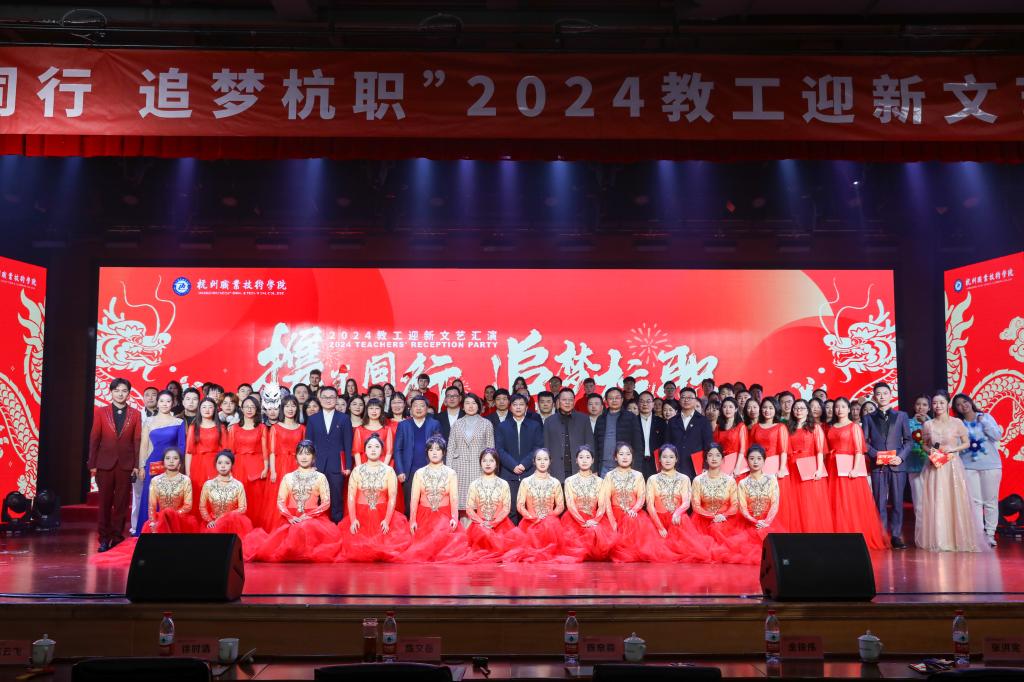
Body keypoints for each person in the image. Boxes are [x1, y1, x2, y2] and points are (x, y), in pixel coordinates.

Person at [244, 439, 342, 563]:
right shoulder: (288, 477)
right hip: (291, 518)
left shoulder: (320, 477)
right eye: (300, 453)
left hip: (313, 518)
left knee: (307, 531)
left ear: (313, 457)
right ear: (296, 457)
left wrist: (309, 516)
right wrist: (289, 517)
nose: (304, 457)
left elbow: (326, 502)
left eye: (307, 454)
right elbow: (280, 501)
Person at [916, 392, 984, 552]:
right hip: (936, 466)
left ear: (947, 404)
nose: (938, 406)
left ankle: (957, 539)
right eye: (934, 403)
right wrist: (930, 451)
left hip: (952, 466)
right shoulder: (928, 424)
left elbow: (967, 443)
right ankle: (940, 539)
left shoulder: (957, 422)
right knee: (937, 500)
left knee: (954, 500)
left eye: (941, 402)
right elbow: (924, 444)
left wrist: (953, 449)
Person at [827, 398, 889, 550]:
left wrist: (855, 469)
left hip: (848, 469)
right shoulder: (832, 427)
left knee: (850, 502)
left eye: (843, 407)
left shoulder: (854, 427)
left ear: (849, 409)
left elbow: (859, 450)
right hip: (833, 467)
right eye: (837, 407)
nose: (839, 409)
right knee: (836, 502)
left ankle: (854, 537)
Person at [401, 435, 474, 563]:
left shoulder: (451, 473)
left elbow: (454, 498)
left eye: (438, 449)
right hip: (424, 517)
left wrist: (454, 518)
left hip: (444, 516)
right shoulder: (419, 473)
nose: (434, 453)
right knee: (420, 552)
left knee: (448, 553)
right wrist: (412, 520)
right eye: (431, 450)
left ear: (443, 452)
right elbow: (414, 499)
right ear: (427, 452)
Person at [342, 434, 412, 562]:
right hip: (360, 515)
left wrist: (387, 520)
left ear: (382, 450)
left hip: (383, 513)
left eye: (376, 446)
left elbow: (392, 497)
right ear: (364, 450)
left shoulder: (389, 471)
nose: (373, 449)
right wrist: (353, 519)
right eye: (369, 447)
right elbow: (351, 497)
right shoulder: (357, 471)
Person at [861, 382, 913, 549]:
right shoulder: (868, 418)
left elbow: (908, 441)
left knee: (897, 502)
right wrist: (876, 455)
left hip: (897, 465)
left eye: (885, 393)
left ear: (891, 395)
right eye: (879, 394)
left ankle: (896, 536)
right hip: (878, 466)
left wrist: (900, 457)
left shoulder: (902, 416)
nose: (882, 396)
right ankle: (881, 535)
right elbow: (864, 442)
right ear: (874, 397)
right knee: (879, 502)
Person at [690, 443, 758, 564]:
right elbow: (696, 505)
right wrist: (712, 516)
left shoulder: (730, 481)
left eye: (717, 455)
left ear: (722, 459)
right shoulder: (698, 480)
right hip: (703, 520)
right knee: (696, 548)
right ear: (706, 459)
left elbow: (735, 505)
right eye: (710, 455)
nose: (714, 458)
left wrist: (723, 516)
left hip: (726, 519)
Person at [512, 448, 582, 562]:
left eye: (545, 459)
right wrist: (532, 517)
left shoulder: (555, 482)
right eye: (539, 459)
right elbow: (520, 505)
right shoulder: (526, 482)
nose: (542, 462)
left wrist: (549, 516)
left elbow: (560, 506)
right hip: (530, 522)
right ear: (534, 461)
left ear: (550, 461)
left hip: (550, 524)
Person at [953, 393, 1003, 548]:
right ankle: (979, 535)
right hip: (969, 467)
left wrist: (984, 423)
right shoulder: (958, 424)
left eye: (965, 402)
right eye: (959, 405)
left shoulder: (985, 417)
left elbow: (997, 436)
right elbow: (957, 446)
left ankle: (990, 534)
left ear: (970, 401)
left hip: (991, 465)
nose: (963, 406)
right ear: (956, 409)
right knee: (975, 502)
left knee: (990, 501)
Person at [135, 390, 186, 534]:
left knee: (170, 497)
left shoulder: (179, 422)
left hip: (172, 464)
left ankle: (168, 529)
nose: (165, 404)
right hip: (153, 463)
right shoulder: (148, 421)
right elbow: (144, 446)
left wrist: (179, 466)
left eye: (168, 401)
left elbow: (181, 445)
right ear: (157, 403)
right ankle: (148, 529)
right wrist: (142, 466)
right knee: (151, 497)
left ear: (173, 403)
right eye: (162, 401)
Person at [645, 444, 707, 563]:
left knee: (687, 548)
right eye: (664, 457)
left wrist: (677, 513)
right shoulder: (652, 479)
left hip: (677, 519)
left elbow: (686, 502)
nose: (668, 460)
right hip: (657, 519)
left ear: (676, 459)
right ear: (659, 459)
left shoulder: (684, 478)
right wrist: (660, 527)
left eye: (671, 457)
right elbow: (650, 506)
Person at [602, 443, 659, 563]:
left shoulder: (638, 475)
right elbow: (606, 500)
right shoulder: (609, 476)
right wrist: (612, 521)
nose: (625, 457)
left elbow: (641, 497)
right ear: (615, 457)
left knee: (632, 521)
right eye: (621, 454)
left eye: (628, 454)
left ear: (632, 457)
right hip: (614, 514)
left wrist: (634, 510)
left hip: (633, 513)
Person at [304, 386, 354, 523]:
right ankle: (318, 525)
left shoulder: (344, 418)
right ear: (320, 399)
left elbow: (348, 443)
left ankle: (336, 525)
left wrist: (347, 466)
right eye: (325, 397)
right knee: (316, 498)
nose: (328, 400)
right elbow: (308, 445)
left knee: (336, 497)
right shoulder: (313, 419)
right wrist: (309, 465)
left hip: (337, 465)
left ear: (336, 399)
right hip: (317, 465)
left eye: (331, 397)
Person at [495, 393, 544, 524]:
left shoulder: (535, 426)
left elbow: (537, 447)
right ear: (510, 407)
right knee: (510, 509)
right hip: (508, 474)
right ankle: (512, 536)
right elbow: (499, 449)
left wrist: (524, 464)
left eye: (521, 404)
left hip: (529, 473)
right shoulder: (502, 426)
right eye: (515, 405)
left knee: (529, 509)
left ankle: (528, 535)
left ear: (526, 407)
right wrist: (513, 465)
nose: (518, 407)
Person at [785, 400, 833, 533]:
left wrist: (819, 469)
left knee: (810, 502)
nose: (798, 410)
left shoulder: (815, 427)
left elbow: (820, 450)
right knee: (795, 502)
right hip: (792, 467)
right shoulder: (789, 428)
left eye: (802, 408)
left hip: (809, 467)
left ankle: (812, 532)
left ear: (807, 411)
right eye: (796, 408)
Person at [561, 445, 614, 561]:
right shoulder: (569, 481)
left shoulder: (600, 481)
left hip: (594, 517)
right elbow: (570, 504)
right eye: (581, 457)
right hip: (574, 519)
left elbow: (602, 504)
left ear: (593, 460)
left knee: (597, 533)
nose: (584, 460)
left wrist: (595, 520)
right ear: (576, 460)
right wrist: (582, 522)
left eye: (588, 457)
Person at [447, 393, 495, 513]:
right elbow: (451, 447)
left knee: (479, 503)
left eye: (474, 403)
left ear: (478, 406)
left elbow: (491, 449)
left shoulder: (486, 423)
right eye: (467, 403)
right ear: (463, 406)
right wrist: (448, 470)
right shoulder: (457, 424)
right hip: (459, 467)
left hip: (479, 467)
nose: (470, 406)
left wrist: (490, 469)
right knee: (461, 505)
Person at [394, 395, 442, 512]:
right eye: (415, 406)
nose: (419, 408)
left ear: (427, 408)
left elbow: (440, 448)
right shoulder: (403, 425)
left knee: (429, 503)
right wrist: (400, 471)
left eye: (422, 406)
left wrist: (439, 469)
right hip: (409, 471)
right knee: (410, 504)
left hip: (430, 469)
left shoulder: (434, 424)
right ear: (410, 409)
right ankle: (410, 523)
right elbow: (397, 449)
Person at [465, 449, 516, 557]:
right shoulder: (474, 484)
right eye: (484, 461)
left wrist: (493, 523)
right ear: (480, 463)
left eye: (491, 461)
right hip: (479, 526)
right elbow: (469, 508)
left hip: (500, 526)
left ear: (496, 463)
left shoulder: (503, 484)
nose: (488, 464)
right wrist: (481, 523)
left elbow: (506, 508)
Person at [229, 396, 269, 528]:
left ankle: (256, 527)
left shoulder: (262, 427)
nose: (249, 409)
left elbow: (265, 450)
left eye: (252, 407)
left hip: (257, 466)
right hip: (239, 466)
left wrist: (266, 468)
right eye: (247, 407)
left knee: (256, 499)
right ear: (241, 409)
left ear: (257, 409)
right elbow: (230, 451)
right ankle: (240, 527)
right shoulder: (234, 428)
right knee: (240, 498)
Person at [736, 444, 785, 552]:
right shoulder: (743, 483)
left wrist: (766, 522)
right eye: (752, 458)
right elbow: (742, 507)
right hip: (749, 523)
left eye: (759, 458)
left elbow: (775, 503)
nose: (755, 462)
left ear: (764, 460)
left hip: (769, 522)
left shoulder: (772, 479)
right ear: (747, 460)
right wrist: (755, 522)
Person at [544, 388, 595, 482]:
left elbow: (590, 444)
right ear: (558, 401)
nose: (567, 402)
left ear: (574, 401)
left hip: (580, 469)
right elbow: (546, 448)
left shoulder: (583, 419)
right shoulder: (549, 421)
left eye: (570, 400)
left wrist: (592, 468)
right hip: (556, 471)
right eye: (564, 400)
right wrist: (546, 469)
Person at [198, 451, 254, 537]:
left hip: (233, 525)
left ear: (232, 465)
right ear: (216, 465)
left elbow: (243, 508)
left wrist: (224, 518)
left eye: (227, 463)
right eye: (220, 463)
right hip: (213, 523)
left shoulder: (238, 485)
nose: (223, 466)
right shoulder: (208, 484)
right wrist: (210, 520)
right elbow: (202, 507)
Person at [665, 387, 714, 479]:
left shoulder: (703, 421)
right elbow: (667, 444)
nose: (686, 400)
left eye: (690, 397)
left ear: (695, 401)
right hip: (675, 465)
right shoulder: (672, 421)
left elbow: (708, 445)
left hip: (696, 467)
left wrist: (706, 465)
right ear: (679, 400)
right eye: (683, 397)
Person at [594, 388, 644, 476]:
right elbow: (595, 444)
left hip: (625, 466)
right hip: (604, 467)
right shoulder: (601, 418)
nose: (614, 400)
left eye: (617, 398)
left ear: (622, 399)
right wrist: (594, 468)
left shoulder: (631, 417)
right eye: (611, 398)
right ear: (606, 401)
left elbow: (638, 445)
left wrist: (636, 468)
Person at [186, 398, 227, 505]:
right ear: (199, 409)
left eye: (210, 407)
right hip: (197, 464)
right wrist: (188, 473)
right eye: (204, 407)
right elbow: (189, 452)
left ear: (215, 409)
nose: (207, 410)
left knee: (216, 494)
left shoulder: (221, 427)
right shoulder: (193, 428)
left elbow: (226, 451)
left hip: (215, 464)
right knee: (198, 493)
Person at [906, 395, 931, 527]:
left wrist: (926, 422)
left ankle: (934, 528)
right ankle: (921, 529)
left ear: (929, 408)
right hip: (914, 465)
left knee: (933, 499)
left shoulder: (933, 423)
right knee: (918, 499)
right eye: (918, 404)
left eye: (924, 405)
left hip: (932, 465)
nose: (921, 407)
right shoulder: (907, 423)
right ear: (914, 406)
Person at [715, 397, 748, 477]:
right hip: (722, 463)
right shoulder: (718, 427)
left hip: (736, 464)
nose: (727, 409)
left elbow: (742, 449)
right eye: (725, 407)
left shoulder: (741, 426)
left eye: (730, 407)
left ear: (736, 409)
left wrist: (737, 467)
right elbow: (715, 447)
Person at [637, 391, 666, 478]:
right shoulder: (632, 421)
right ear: (638, 404)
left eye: (648, 401)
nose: (645, 404)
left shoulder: (661, 422)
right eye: (642, 401)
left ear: (653, 404)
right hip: (637, 463)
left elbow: (665, 443)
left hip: (656, 462)